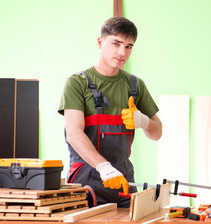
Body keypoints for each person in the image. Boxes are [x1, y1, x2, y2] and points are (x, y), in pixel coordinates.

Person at [58, 16, 162, 208]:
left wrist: (143, 121)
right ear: (100, 42)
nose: (123, 52)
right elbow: (74, 134)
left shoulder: (135, 85)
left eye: (129, 46)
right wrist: (104, 167)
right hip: (86, 179)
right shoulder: (77, 83)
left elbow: (157, 133)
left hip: (124, 178)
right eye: (116, 43)